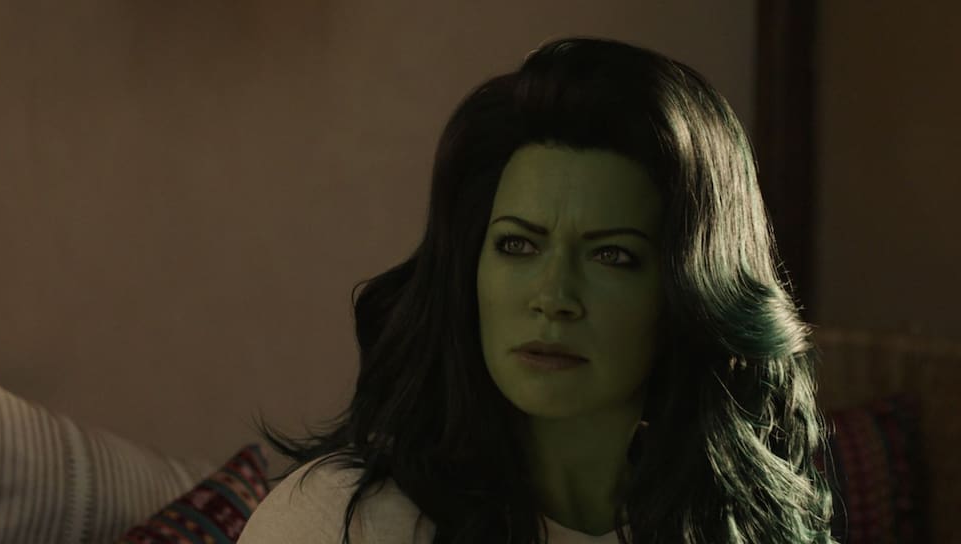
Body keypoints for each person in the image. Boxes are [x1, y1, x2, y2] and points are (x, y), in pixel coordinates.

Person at [237, 35, 837, 544]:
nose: (554, 297)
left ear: (688, 292)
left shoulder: (735, 527)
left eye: (612, 255)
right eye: (518, 245)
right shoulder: (339, 523)